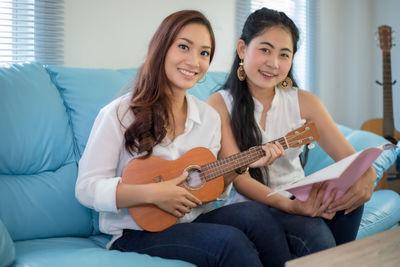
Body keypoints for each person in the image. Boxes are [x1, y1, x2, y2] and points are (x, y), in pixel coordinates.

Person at [76, 10, 297, 267]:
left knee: (257, 216)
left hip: (193, 221)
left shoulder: (208, 118)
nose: (194, 61)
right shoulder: (119, 113)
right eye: (184, 47)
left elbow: (209, 187)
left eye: (204, 53)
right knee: (230, 242)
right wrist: (152, 194)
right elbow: (86, 188)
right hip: (136, 232)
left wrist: (240, 165)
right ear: (161, 48)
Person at [207, 7, 377, 256]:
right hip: (253, 208)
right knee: (314, 235)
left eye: (284, 54)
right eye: (265, 50)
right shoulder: (220, 104)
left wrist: (368, 175)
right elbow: (241, 180)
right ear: (242, 49)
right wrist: (288, 205)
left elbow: (351, 159)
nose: (273, 63)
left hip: (299, 196)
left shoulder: (305, 102)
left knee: (352, 202)